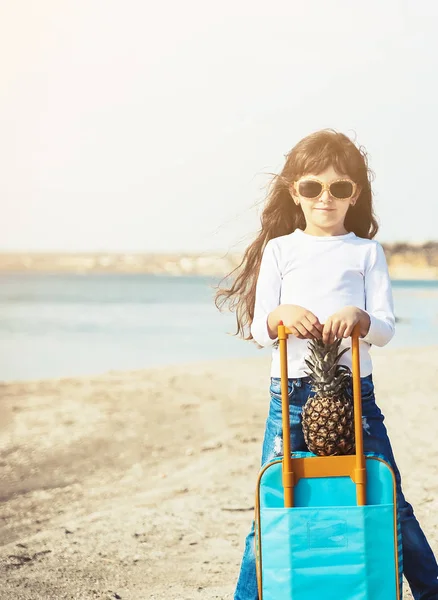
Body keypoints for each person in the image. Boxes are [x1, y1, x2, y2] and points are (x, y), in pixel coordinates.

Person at [215, 129, 438, 600]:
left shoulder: (365, 251)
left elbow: (385, 327)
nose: (325, 198)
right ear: (295, 192)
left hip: (356, 392)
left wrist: (360, 318)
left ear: (354, 194)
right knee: (272, 502)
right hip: (292, 396)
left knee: (389, 500)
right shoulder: (281, 250)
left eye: (339, 188)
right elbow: (260, 329)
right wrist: (280, 315)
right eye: (313, 187)